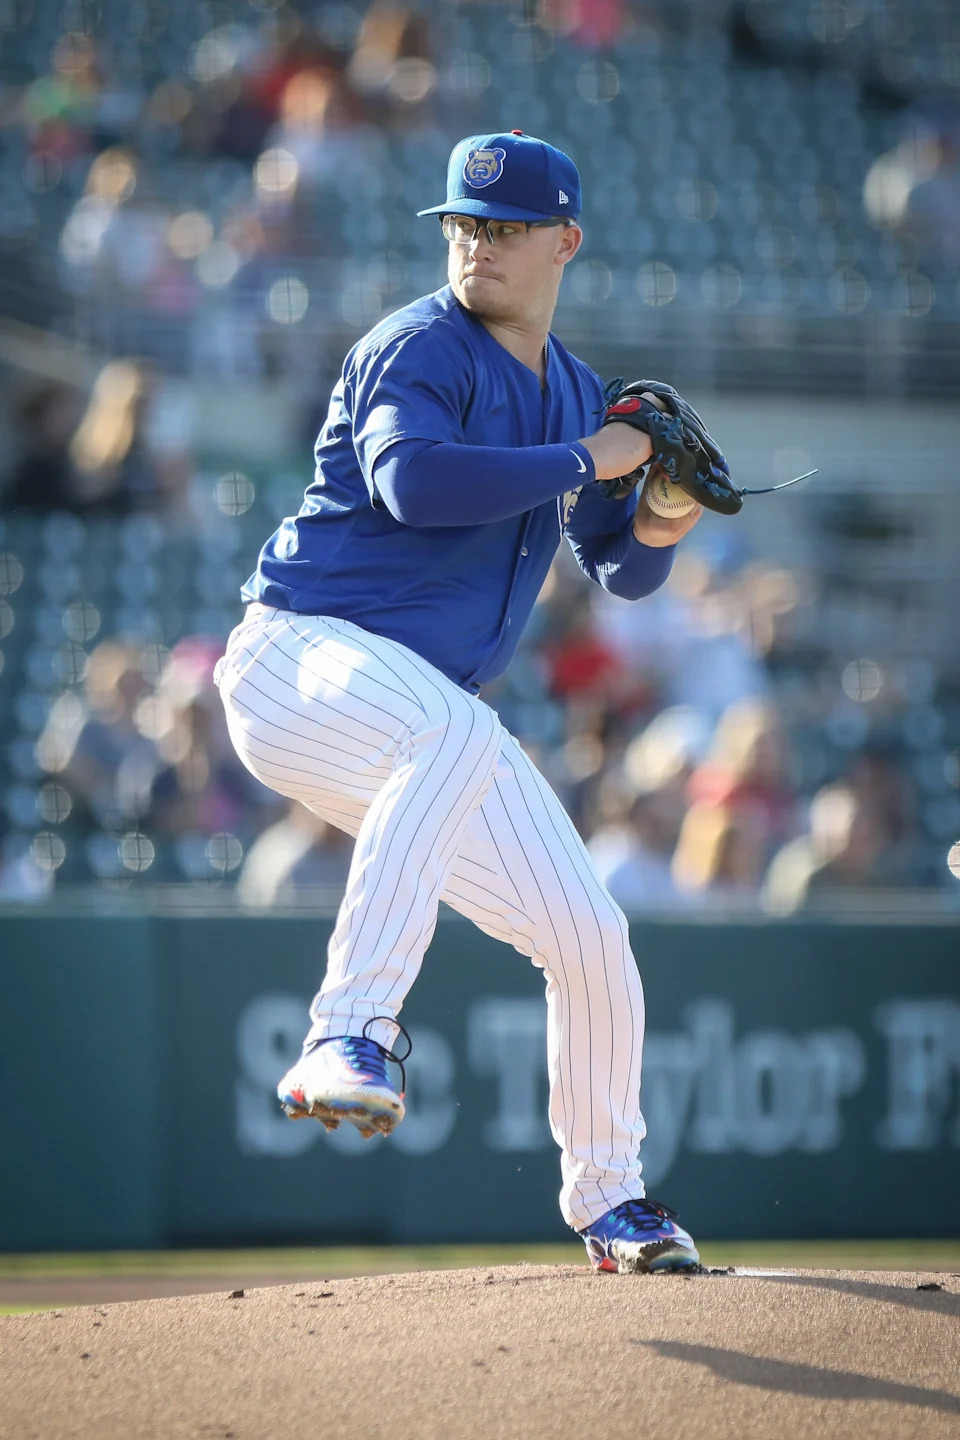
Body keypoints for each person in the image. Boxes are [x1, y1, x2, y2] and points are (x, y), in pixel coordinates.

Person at [215, 131, 706, 1274]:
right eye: (464, 226)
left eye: (505, 227)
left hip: (412, 724)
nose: (478, 245)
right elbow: (415, 482)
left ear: (565, 241)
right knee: (451, 724)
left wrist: (663, 515)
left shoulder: (575, 390)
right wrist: (593, 457)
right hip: (296, 660)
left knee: (588, 934)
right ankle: (349, 1031)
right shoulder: (416, 345)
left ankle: (614, 1203)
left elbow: (618, 572)